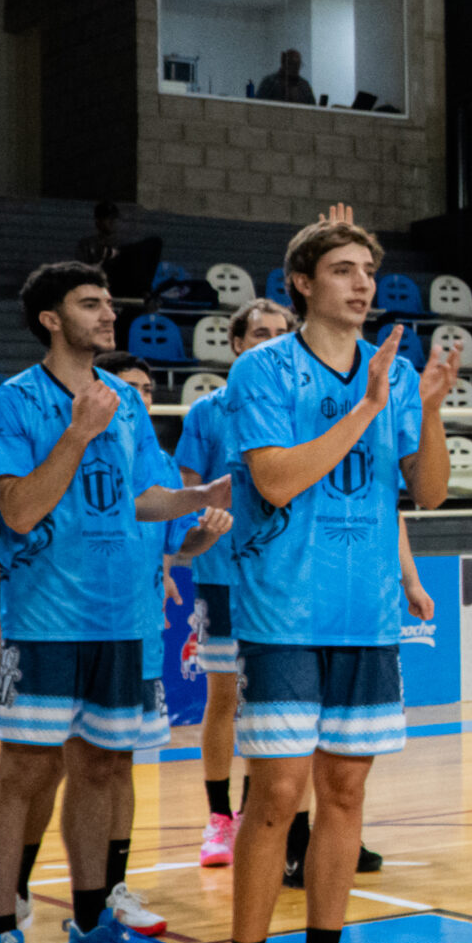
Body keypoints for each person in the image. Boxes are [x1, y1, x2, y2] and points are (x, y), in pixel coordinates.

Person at [201, 210, 458, 943]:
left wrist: (426, 413)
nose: (361, 284)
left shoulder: (394, 371)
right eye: (344, 269)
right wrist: (370, 406)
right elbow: (275, 480)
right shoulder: (262, 369)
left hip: (366, 615)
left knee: (345, 794)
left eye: (368, 271)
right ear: (303, 283)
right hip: (284, 610)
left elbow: (427, 493)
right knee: (277, 795)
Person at [0, 263, 231, 943]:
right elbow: (19, 511)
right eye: (90, 303)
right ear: (51, 319)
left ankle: (89, 926)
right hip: (47, 620)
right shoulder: (12, 402)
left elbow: (140, 499)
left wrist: (199, 496)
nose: (109, 313)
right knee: (23, 771)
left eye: (110, 301)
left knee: (106, 769)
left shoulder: (128, 403)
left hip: (123, 619)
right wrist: (78, 434)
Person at [93, 350, 233, 939]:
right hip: (77, 625)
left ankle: (110, 890)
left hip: (140, 629)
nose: (141, 398)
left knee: (120, 763)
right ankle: (16, 897)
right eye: (129, 387)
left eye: (148, 389)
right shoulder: (79, 449)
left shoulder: (161, 464)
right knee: (48, 769)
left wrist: (201, 537)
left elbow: (176, 545)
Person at [174, 297, 295, 866]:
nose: (272, 342)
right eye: (261, 333)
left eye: (281, 333)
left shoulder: (300, 405)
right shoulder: (208, 411)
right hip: (224, 573)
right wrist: (201, 525)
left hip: (285, 574)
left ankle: (256, 812)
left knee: (273, 703)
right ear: (237, 344)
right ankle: (219, 818)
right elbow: (187, 490)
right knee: (225, 696)